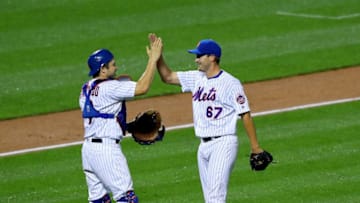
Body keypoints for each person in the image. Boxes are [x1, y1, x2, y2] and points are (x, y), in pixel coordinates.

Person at [150, 34, 265, 203]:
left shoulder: (230, 83)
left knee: (215, 198)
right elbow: (168, 77)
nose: (196, 60)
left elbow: (245, 114)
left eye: (199, 56)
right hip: (203, 147)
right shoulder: (197, 78)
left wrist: (256, 147)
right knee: (210, 199)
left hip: (223, 144)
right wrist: (158, 57)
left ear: (212, 57)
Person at [79, 36, 163, 203]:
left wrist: (128, 126)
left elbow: (102, 118)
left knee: (99, 200)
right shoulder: (109, 88)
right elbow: (142, 87)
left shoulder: (86, 89)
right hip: (106, 151)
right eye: (113, 64)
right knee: (126, 198)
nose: (116, 68)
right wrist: (153, 59)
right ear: (103, 69)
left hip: (88, 151)